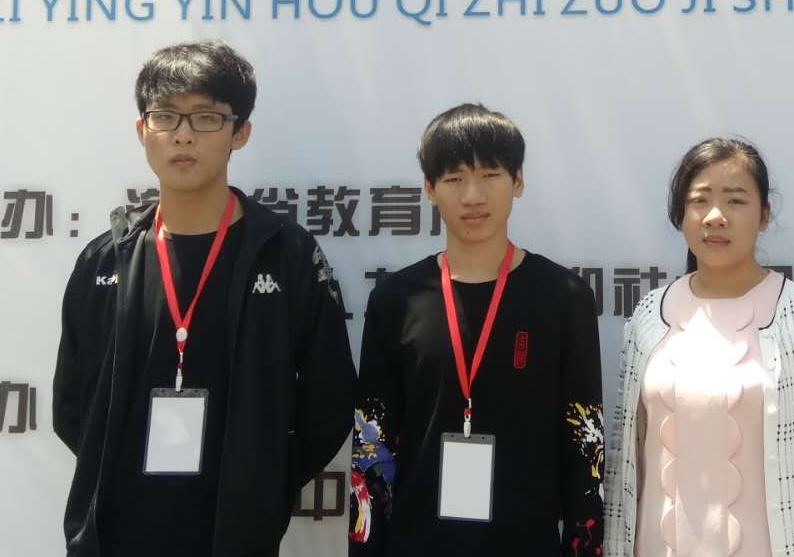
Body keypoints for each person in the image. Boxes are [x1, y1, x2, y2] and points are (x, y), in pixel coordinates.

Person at [52, 40, 355, 557]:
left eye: (207, 117)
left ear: (241, 132)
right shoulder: (106, 260)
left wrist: (262, 484)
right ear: (142, 130)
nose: (183, 134)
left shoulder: (287, 255)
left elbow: (327, 402)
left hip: (233, 535)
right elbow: (72, 406)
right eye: (165, 116)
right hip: (115, 533)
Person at [349, 103, 606, 555]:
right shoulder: (396, 299)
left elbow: (586, 448)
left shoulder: (564, 297)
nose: (473, 196)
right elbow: (373, 446)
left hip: (527, 544)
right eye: (453, 179)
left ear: (518, 181)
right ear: (430, 189)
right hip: (417, 544)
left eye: (490, 175)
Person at [604, 137, 794, 557]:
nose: (715, 216)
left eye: (735, 201)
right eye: (699, 200)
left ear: (764, 215)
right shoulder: (649, 316)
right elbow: (623, 464)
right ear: (680, 215)